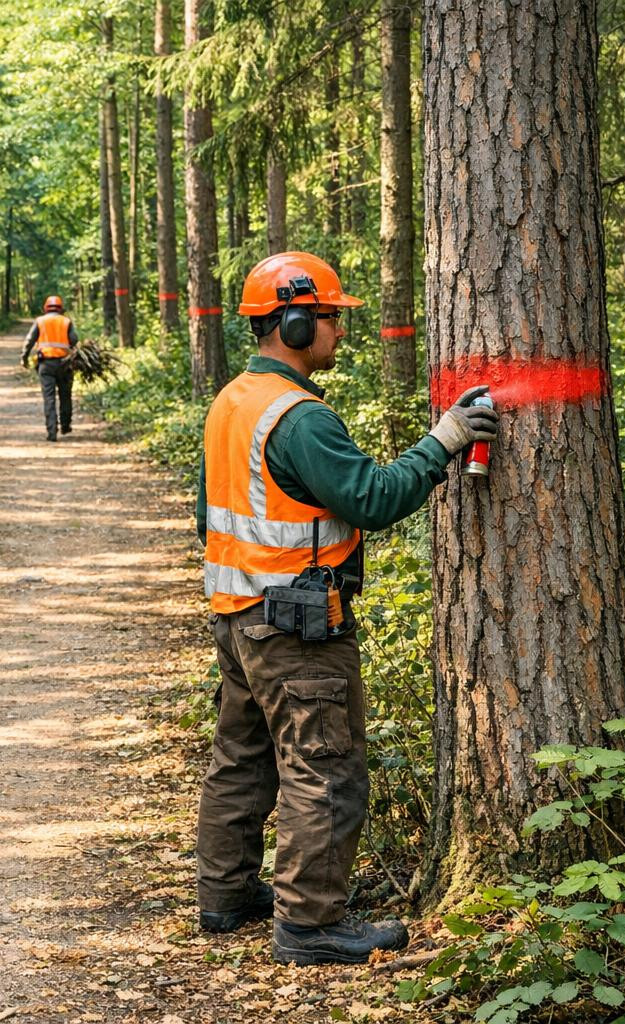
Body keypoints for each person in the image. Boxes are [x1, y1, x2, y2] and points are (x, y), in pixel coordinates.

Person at [194, 251, 498, 966]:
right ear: (294, 322)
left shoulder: (234, 399)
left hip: (237, 612)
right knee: (324, 766)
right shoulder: (299, 418)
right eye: (329, 318)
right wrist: (446, 440)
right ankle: (309, 924)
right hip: (295, 623)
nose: (338, 331)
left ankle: (225, 893)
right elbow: (375, 498)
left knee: (242, 757)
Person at [20, 296, 80, 441]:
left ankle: (51, 431)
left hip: (46, 364)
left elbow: (29, 340)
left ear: (45, 308)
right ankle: (65, 425)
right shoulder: (66, 321)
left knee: (49, 398)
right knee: (65, 395)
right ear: (61, 308)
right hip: (65, 364)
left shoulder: (40, 321)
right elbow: (74, 340)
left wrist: (24, 356)